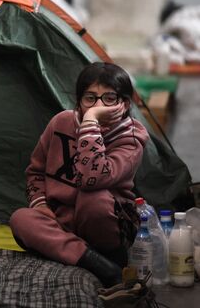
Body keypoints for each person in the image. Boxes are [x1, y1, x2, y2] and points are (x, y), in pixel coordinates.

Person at [9, 62, 149, 287]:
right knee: (20, 219)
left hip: (105, 222)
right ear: (79, 102)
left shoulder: (131, 140)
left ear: (124, 104)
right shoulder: (61, 122)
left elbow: (91, 177)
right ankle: (96, 263)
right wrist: (40, 204)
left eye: (109, 98)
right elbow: (35, 172)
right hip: (61, 221)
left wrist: (91, 121)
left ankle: (98, 257)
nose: (99, 105)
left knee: (93, 198)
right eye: (90, 98)